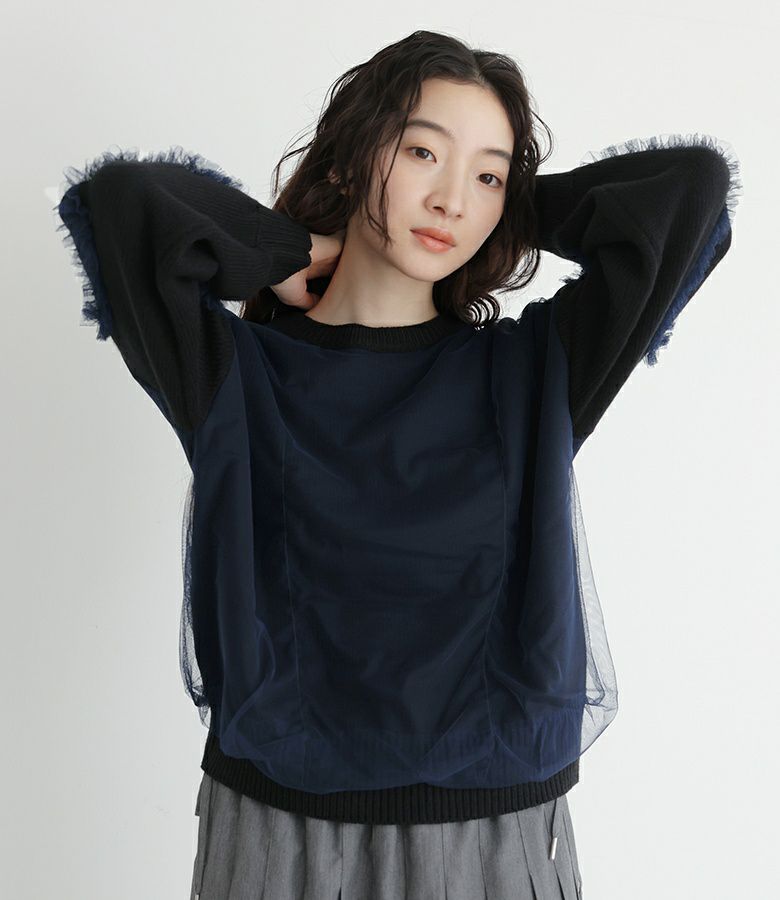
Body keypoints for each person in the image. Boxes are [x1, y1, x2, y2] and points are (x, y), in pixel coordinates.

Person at [55, 29, 740, 900]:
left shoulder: (531, 374)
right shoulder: (237, 374)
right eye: (422, 152)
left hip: (489, 834)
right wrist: (288, 249)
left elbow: (690, 192)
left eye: (487, 175)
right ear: (354, 158)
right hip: (281, 829)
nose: (450, 199)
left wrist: (512, 206)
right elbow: (120, 204)